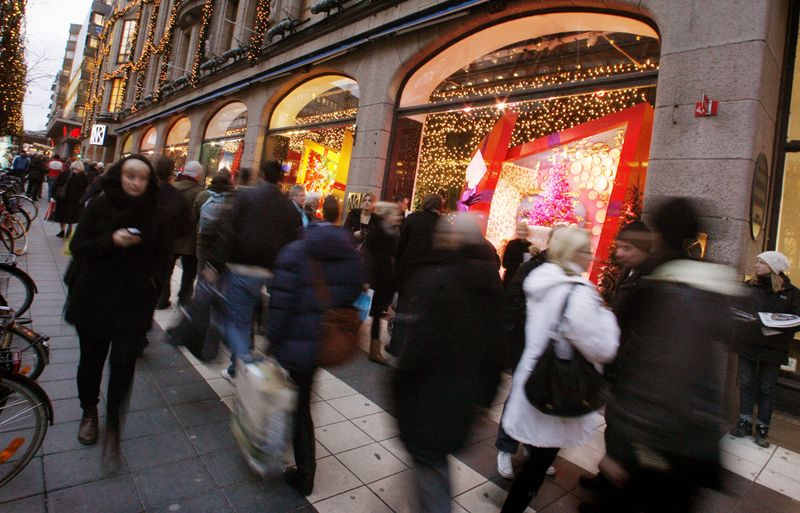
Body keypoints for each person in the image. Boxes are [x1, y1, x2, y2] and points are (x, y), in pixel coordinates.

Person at [599, 198, 741, 513]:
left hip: (655, 438)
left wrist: (622, 447)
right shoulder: (716, 284)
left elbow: (656, 370)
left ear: (659, 235)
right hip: (698, 440)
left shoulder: (659, 286)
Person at [500, 226, 619, 513]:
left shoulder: (542, 282)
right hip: (560, 385)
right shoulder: (578, 293)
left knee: (537, 463)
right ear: (572, 253)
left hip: (536, 377)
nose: (591, 256)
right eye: (585, 250)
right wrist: (606, 316)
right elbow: (602, 347)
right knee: (538, 465)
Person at [394, 213, 503, 513]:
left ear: (453, 239)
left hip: (428, 394)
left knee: (429, 466)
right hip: (465, 397)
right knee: (433, 463)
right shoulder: (491, 282)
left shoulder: (436, 280)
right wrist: (485, 399)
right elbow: (496, 349)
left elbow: (417, 348)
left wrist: (398, 384)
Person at [65, 154, 169, 459]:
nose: (136, 183)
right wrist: (112, 241)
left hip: (132, 304)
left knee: (124, 364)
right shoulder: (99, 205)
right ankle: (89, 411)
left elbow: (163, 258)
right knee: (92, 360)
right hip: (95, 298)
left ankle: (114, 424)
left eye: (142, 178)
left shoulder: (156, 213)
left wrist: (153, 287)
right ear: (118, 176)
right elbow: (78, 247)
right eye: (130, 176)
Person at [268, 195, 362, 496]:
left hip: (297, 340)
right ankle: (293, 449)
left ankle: (305, 472)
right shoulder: (350, 252)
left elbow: (280, 304)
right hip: (325, 337)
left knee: (298, 404)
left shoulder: (294, 252)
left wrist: (272, 339)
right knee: (304, 396)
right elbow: (355, 291)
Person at [220, 160, 301, 379]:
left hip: (241, 267)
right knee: (251, 320)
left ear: (262, 175)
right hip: (270, 273)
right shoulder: (288, 206)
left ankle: (246, 368)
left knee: (238, 321)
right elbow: (295, 240)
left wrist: (221, 262)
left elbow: (229, 229)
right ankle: (238, 367)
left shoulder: (246, 196)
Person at [496, 233, 555, 481]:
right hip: (528, 345)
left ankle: (531, 444)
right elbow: (512, 305)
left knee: (541, 399)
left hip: (550, 351)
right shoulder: (533, 268)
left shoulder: (567, 274)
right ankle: (505, 448)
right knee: (520, 395)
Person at [730, 251, 800, 447]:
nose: (756, 266)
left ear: (774, 267)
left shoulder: (792, 293)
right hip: (747, 343)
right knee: (746, 382)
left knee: (766, 388)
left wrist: (768, 322)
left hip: (774, 348)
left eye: (761, 263)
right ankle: (744, 421)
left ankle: (762, 427)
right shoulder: (749, 287)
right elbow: (735, 309)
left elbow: (797, 320)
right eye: (757, 262)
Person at [386, 193, 442, 356]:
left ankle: (396, 345)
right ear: (439, 206)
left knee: (402, 311)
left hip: (408, 274)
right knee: (422, 314)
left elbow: (400, 246)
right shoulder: (443, 224)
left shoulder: (413, 219)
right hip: (430, 277)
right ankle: (414, 350)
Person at [157, 160, 204, 309]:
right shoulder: (201, 192)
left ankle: (162, 298)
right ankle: (184, 300)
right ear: (197, 176)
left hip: (171, 237)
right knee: (189, 273)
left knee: (166, 270)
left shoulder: (172, 188)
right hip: (189, 240)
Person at [364, 201, 401, 365]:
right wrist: (366, 278)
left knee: (377, 312)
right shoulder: (376, 231)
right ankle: (374, 350)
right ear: (387, 215)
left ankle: (374, 348)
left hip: (385, 278)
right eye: (395, 214)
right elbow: (368, 255)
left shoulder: (393, 231)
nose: (398, 217)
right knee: (373, 312)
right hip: (374, 278)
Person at [194, 170, 235, 273]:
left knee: (202, 271)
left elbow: (194, 218)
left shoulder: (202, 195)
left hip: (203, 240)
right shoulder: (233, 198)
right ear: (229, 180)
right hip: (223, 243)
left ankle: (202, 286)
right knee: (219, 276)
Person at [51, 160, 90, 238]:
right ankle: (70, 226)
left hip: (64, 199)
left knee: (62, 216)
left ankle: (62, 231)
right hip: (76, 200)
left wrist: (53, 195)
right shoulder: (84, 177)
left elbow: (56, 185)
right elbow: (86, 189)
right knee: (72, 215)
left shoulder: (64, 174)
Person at [502, 222, 532, 289]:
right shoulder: (512, 244)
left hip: (522, 279)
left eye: (524, 230)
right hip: (511, 278)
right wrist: (519, 265)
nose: (522, 232)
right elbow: (505, 263)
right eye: (520, 230)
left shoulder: (530, 246)